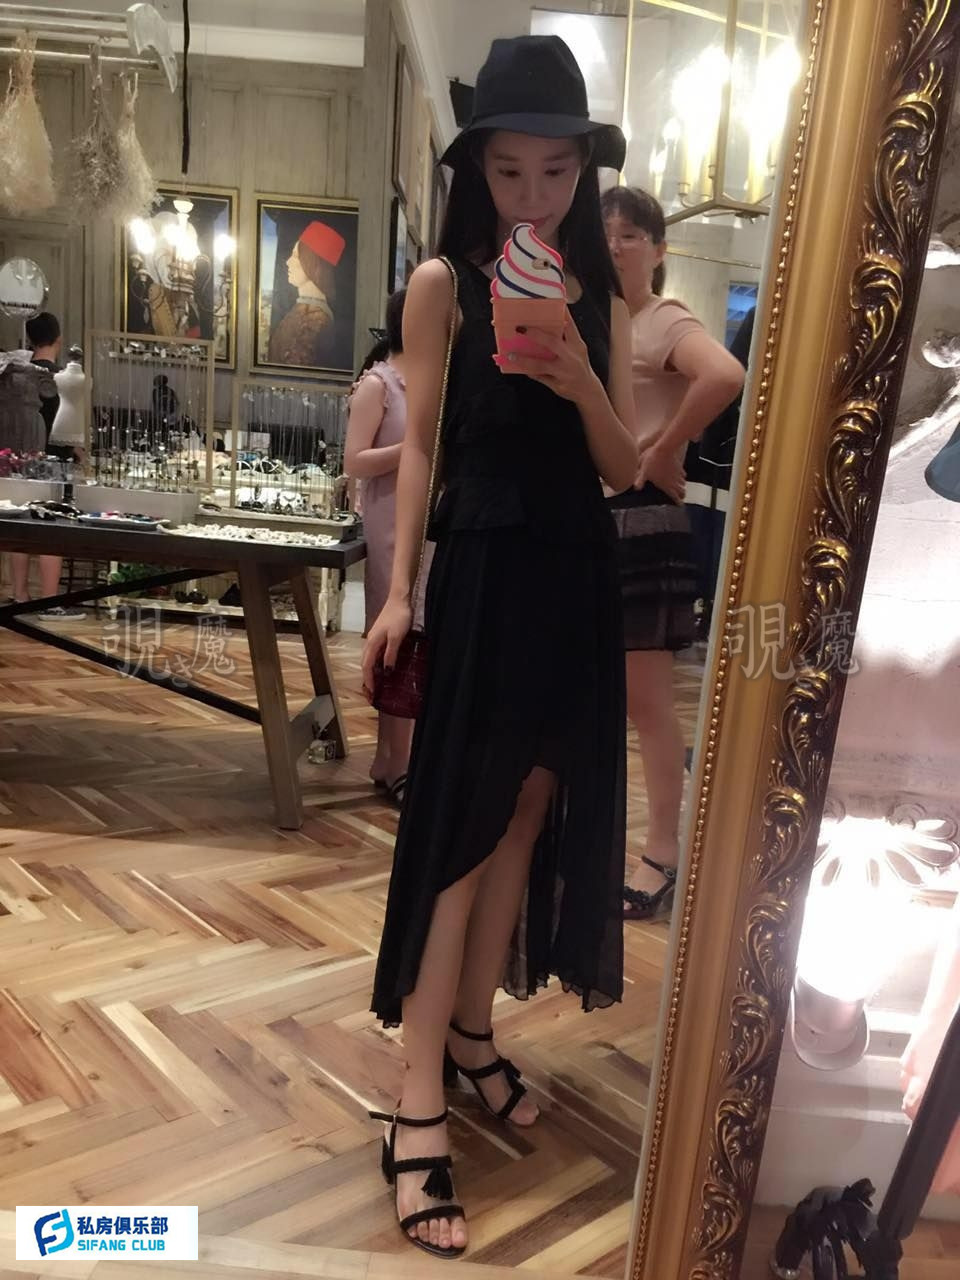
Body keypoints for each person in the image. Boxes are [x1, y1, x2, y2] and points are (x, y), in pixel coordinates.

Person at [361, 35, 637, 1260]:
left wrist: (579, 372)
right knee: (462, 832)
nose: (534, 195)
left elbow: (624, 465)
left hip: (572, 567)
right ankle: (415, 1096)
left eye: (557, 173)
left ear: (584, 171)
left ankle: (474, 1029)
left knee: (527, 810)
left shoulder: (596, 296)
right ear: (478, 169)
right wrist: (399, 591)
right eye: (510, 171)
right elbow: (422, 441)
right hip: (480, 566)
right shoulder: (442, 285)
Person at [600, 187, 745, 922]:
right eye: (605, 231)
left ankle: (662, 851)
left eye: (631, 234)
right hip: (589, 519)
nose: (615, 243)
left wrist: (662, 446)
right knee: (592, 693)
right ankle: (592, 843)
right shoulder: (592, 318)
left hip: (642, 519)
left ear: (658, 249)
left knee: (646, 702)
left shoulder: (662, 317)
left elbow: (725, 375)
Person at [344, 289, 412, 804]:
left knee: (416, 643)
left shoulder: (432, 383)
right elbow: (355, 461)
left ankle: (393, 758)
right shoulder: (378, 383)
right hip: (389, 524)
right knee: (394, 643)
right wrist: (413, 450)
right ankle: (394, 759)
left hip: (423, 525)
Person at [3, 313, 83, 620]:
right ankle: (49, 602)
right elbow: (69, 428)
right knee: (53, 528)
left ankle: (20, 595)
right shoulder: (61, 379)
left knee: (21, 527)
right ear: (58, 339)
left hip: (18, 458)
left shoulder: (14, 373)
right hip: (54, 461)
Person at [685, 305, 755, 637]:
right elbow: (733, 374)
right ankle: (707, 608)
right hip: (719, 458)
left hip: (722, 456)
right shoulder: (759, 318)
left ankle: (710, 609)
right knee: (713, 532)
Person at [267, 221, 344, 369]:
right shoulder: (305, 309)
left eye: (296, 256)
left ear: (312, 262)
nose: (288, 262)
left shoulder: (317, 320)